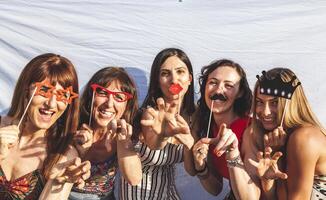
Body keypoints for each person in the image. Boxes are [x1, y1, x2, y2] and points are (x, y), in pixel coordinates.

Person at [0, 53, 90, 199]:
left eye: (62, 95)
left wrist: (59, 183)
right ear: (26, 91)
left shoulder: (64, 154)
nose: (52, 104)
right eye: (44, 90)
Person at [119, 48, 196, 200]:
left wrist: (190, 146)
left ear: (189, 79)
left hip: (169, 193)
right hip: (137, 194)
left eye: (180, 71)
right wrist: (161, 136)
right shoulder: (150, 114)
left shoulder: (195, 117)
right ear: (158, 81)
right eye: (165, 73)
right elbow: (154, 143)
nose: (174, 80)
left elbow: (192, 171)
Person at [69, 67, 142, 200]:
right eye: (102, 93)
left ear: (127, 105)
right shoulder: (71, 126)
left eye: (119, 97)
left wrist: (123, 141)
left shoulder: (128, 135)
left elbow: (134, 179)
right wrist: (80, 151)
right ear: (91, 95)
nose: (109, 103)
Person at [191, 59, 252, 199]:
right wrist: (201, 166)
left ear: (240, 92)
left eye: (228, 85)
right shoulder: (209, 129)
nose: (218, 90)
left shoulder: (250, 128)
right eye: (213, 82)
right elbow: (215, 189)